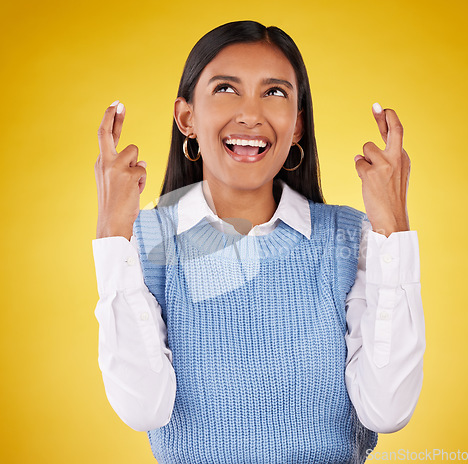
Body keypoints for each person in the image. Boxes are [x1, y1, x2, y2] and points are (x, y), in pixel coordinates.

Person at [93, 20, 425, 464]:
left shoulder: (351, 239)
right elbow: (143, 409)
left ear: (299, 124)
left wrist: (393, 229)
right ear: (187, 117)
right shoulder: (147, 244)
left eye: (274, 93)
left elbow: (387, 411)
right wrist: (112, 236)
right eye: (227, 88)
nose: (251, 114)